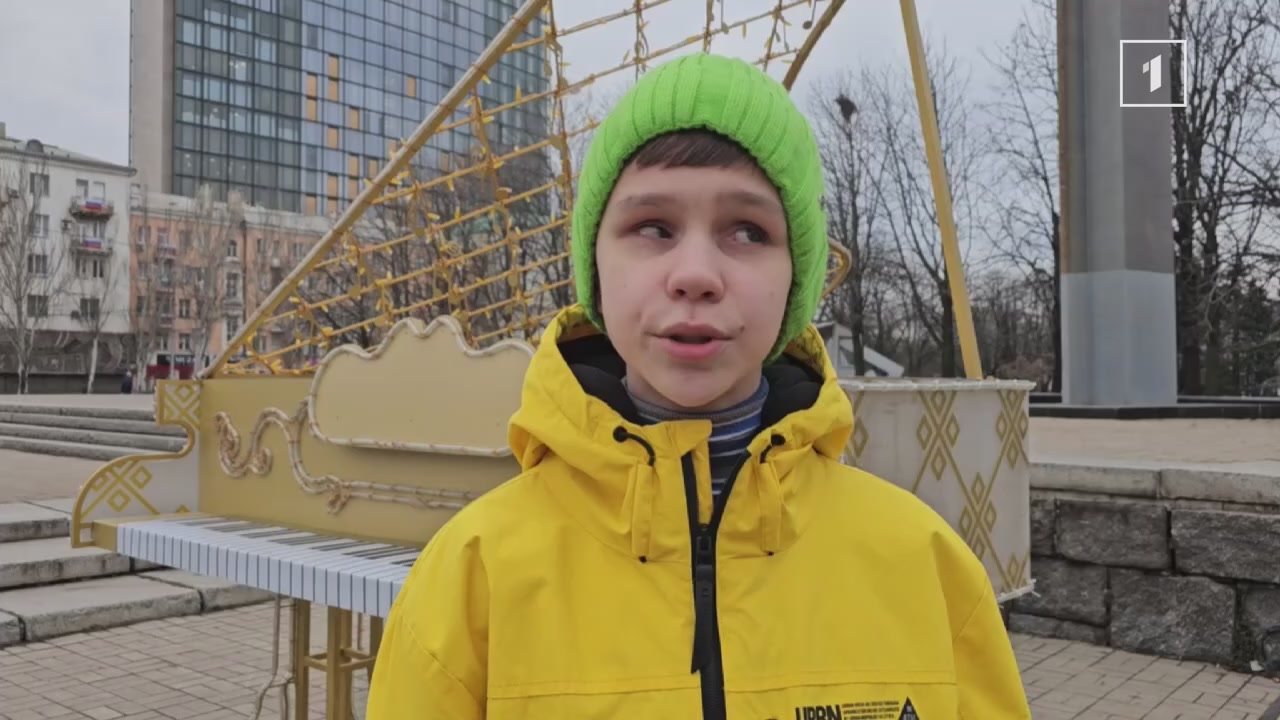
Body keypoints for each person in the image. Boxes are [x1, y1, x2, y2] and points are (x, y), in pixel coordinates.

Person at [366, 52, 1030, 719]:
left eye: (748, 231)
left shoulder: (927, 569)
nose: (695, 274)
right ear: (594, 263)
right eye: (652, 227)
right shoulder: (470, 580)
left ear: (796, 277)